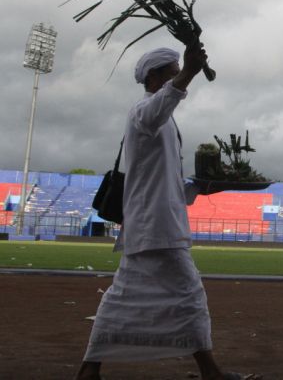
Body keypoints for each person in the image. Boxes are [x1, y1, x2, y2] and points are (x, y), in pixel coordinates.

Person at [76, 45, 259, 380]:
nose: (178, 76)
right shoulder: (144, 112)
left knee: (123, 299)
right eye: (173, 71)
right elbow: (160, 107)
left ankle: (90, 369)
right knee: (188, 297)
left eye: (179, 70)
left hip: (155, 226)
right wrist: (190, 71)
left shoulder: (164, 122)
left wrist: (207, 186)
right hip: (156, 228)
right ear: (154, 76)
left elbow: (168, 183)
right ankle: (211, 372)